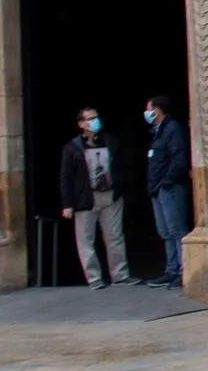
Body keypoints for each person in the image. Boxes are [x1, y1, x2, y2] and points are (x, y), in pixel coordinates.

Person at [58, 107, 132, 289]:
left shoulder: (110, 141)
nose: (94, 121)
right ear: (81, 124)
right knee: (85, 239)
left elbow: (122, 166)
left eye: (96, 117)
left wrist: (121, 188)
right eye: (90, 119)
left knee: (115, 236)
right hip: (86, 199)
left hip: (110, 196)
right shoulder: (72, 148)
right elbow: (66, 177)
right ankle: (94, 278)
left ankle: (120, 275)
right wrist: (67, 204)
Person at [143, 95, 192, 289]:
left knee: (176, 229)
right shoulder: (157, 132)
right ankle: (172, 269)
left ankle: (183, 271)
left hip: (169, 188)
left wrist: (167, 182)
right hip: (157, 189)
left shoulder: (172, 129)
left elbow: (178, 158)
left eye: (149, 109)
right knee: (165, 231)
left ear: (158, 110)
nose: (147, 113)